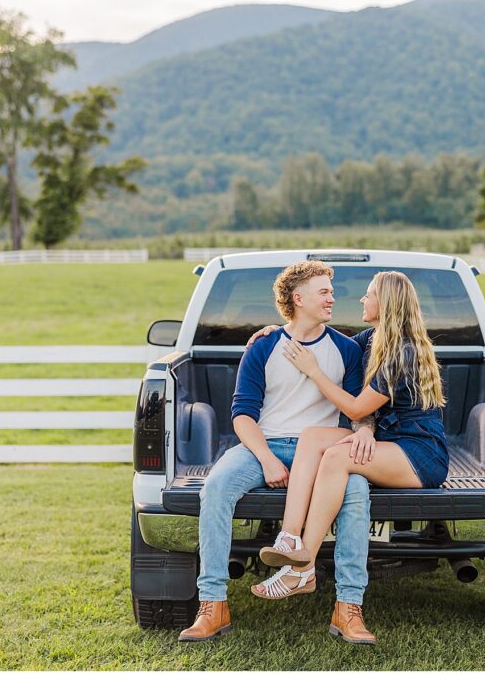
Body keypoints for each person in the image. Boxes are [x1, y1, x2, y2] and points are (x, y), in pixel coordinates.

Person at [179, 260, 375, 644]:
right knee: (215, 488)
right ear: (297, 298)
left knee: (357, 492)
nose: (333, 298)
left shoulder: (347, 349)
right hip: (262, 447)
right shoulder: (263, 346)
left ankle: (349, 608)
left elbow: (356, 410)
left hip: (322, 453)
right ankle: (212, 606)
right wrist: (267, 458)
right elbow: (242, 416)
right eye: (324, 292)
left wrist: (365, 429)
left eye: (331, 292)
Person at [252, 270, 449, 643]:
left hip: (417, 451)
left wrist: (312, 372)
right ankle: (289, 540)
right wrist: (276, 330)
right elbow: (331, 341)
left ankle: (304, 565)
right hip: (388, 440)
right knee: (313, 438)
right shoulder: (373, 338)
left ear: (385, 304)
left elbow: (357, 406)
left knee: (337, 458)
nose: (361, 300)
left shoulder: (400, 352)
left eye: (369, 295)